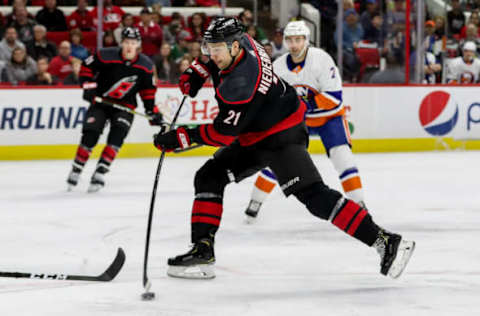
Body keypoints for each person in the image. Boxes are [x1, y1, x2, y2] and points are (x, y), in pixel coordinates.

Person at [153, 17, 415, 280]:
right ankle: (202, 250)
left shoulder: (240, 84)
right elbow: (214, 63)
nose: (212, 54)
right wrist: (199, 70)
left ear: (234, 47)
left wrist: (180, 138)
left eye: (217, 49)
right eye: (209, 47)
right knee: (209, 176)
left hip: (281, 135)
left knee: (314, 196)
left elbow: (223, 133)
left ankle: (385, 241)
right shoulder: (245, 42)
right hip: (258, 132)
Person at [243, 20, 367, 222]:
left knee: (343, 158)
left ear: (306, 40)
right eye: (290, 40)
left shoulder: (322, 60)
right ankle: (254, 203)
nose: (294, 44)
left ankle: (359, 206)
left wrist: (305, 106)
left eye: (298, 40)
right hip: (297, 123)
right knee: (278, 163)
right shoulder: (277, 67)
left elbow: (335, 98)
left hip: (329, 118)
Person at [66, 27, 164, 192]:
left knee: (117, 135)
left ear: (138, 45)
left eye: (133, 43)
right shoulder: (105, 55)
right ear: (121, 43)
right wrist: (89, 87)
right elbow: (86, 67)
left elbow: (147, 91)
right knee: (91, 133)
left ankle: (101, 171)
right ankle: (77, 168)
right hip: (101, 102)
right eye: (126, 42)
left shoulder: (146, 65)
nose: (129, 46)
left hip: (125, 106)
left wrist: (151, 111)